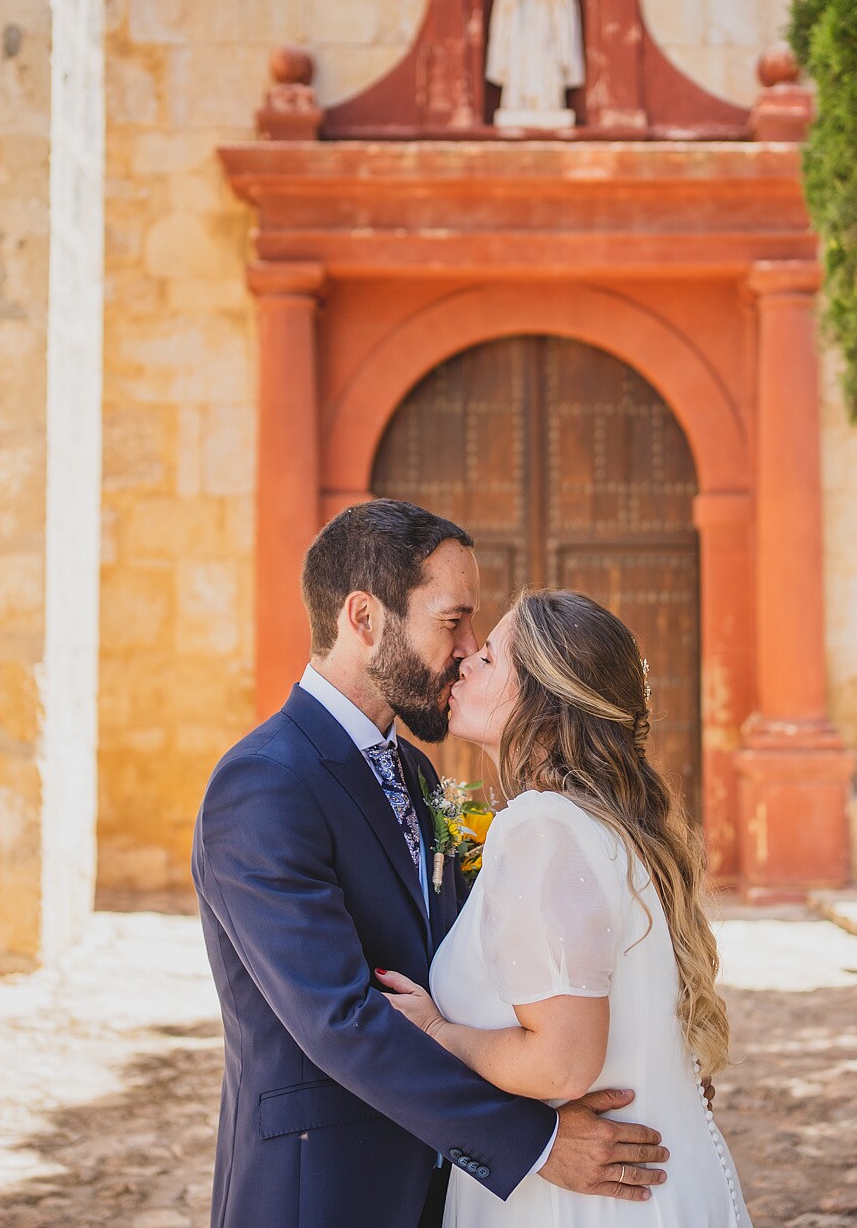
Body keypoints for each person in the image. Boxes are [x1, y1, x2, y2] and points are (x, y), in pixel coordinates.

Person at [193, 502, 672, 1228]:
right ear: (364, 619)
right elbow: (341, 1017)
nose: (469, 646)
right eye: (453, 621)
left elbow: (521, 968)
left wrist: (643, 1065)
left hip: (443, 1192)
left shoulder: (418, 774)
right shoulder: (263, 783)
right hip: (323, 1192)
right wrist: (536, 1142)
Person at [378, 589, 752, 1227]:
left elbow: (562, 1063)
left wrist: (440, 1036)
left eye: (491, 659)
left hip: (579, 1206)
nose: (465, 661)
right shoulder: (609, 826)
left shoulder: (542, 825)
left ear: (543, 706)